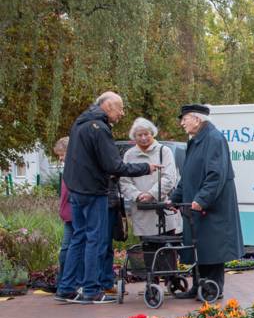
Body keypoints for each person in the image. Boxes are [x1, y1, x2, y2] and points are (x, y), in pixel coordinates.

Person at [55, 92, 159, 304]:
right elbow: (114, 165)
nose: (122, 113)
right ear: (109, 106)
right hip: (93, 191)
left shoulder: (80, 123)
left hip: (76, 190)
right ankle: (92, 290)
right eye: (120, 108)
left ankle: (66, 288)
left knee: (79, 237)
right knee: (96, 239)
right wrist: (146, 168)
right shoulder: (100, 128)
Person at [171, 104, 244, 298]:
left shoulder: (213, 138)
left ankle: (212, 288)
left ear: (197, 119)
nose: (182, 123)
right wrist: (175, 198)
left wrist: (202, 199)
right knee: (200, 247)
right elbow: (187, 175)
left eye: (184, 118)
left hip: (212, 207)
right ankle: (199, 285)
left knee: (212, 248)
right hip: (197, 206)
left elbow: (216, 174)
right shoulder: (196, 140)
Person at [121, 118, 181, 237]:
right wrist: (137, 195)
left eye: (146, 134)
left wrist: (151, 194)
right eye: (139, 135)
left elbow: (169, 178)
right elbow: (124, 181)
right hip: (140, 210)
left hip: (162, 210)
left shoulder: (164, 151)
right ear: (134, 136)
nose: (143, 138)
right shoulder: (129, 155)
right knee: (147, 249)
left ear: (152, 134)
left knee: (166, 249)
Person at [54, 137, 76, 288]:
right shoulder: (69, 169)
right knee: (67, 249)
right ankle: (64, 282)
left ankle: (65, 282)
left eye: (62, 154)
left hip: (73, 215)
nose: (60, 158)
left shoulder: (73, 169)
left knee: (68, 249)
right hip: (69, 215)